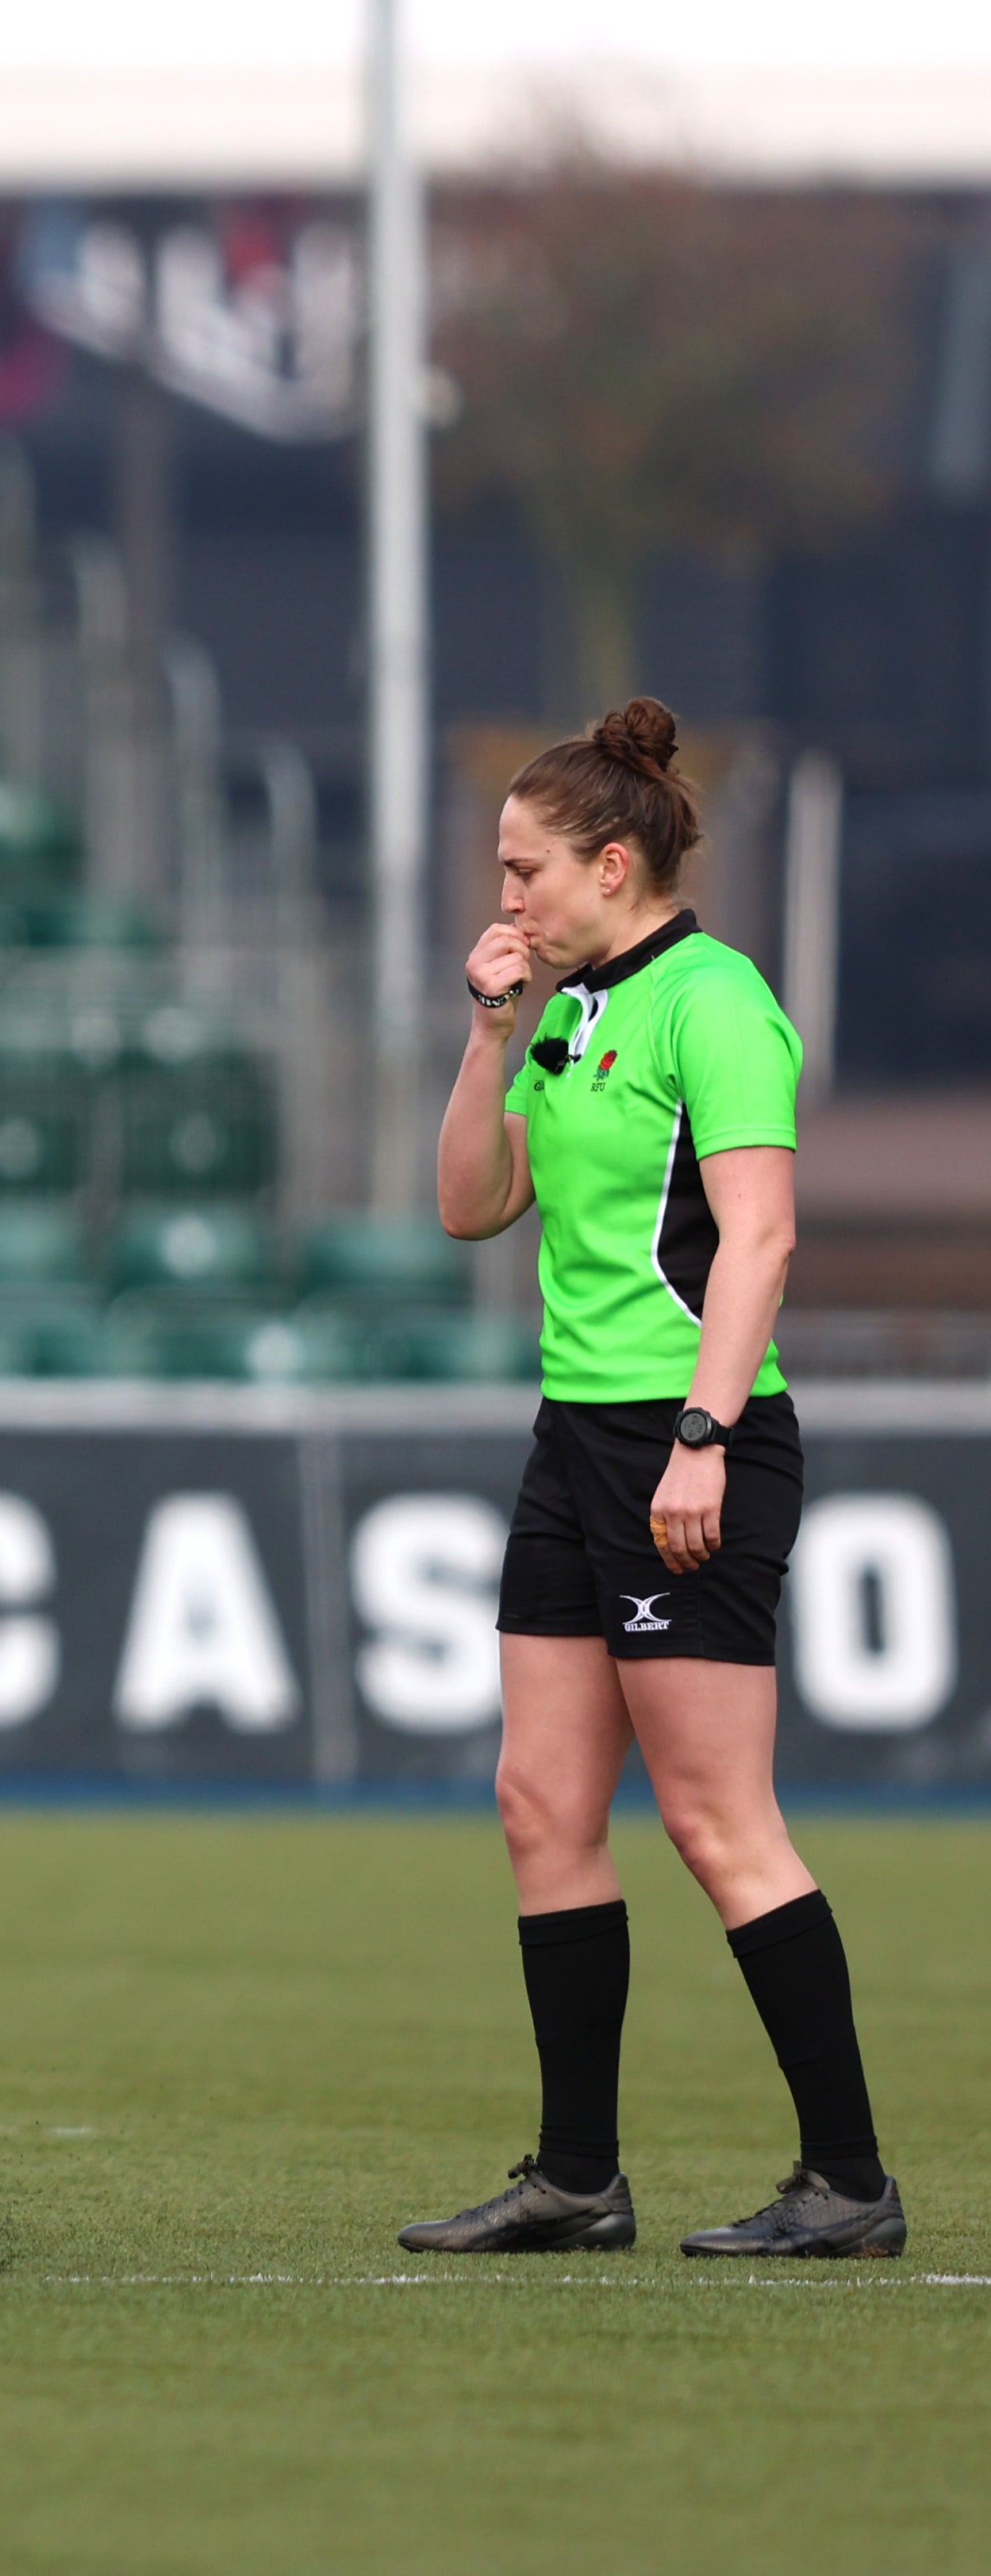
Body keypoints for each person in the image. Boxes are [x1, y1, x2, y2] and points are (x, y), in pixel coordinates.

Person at [409, 695, 898, 2260]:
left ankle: (850, 2180)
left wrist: (700, 1434)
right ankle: (575, 2174)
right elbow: (469, 1206)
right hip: (574, 1437)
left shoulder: (715, 1003)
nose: (505, 898)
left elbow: (758, 1235)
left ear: (611, 864)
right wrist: (486, 1036)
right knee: (539, 1798)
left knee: (714, 1816)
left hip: (691, 1439)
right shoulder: (562, 1009)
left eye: (523, 869)